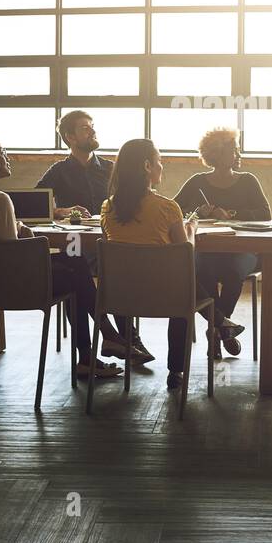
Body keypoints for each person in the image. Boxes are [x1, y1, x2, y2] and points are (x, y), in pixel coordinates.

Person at [0, 125, 121, 380]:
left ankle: (99, 344)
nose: (6, 155)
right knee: (77, 272)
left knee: (72, 260)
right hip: (14, 287)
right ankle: (102, 340)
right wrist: (30, 236)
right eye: (1, 151)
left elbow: (4, 234)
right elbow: (16, 259)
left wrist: (21, 230)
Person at [37, 110, 152, 365]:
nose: (92, 131)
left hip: (110, 239)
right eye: (85, 128)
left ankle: (127, 338)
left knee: (117, 269)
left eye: (92, 127)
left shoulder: (111, 168)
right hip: (75, 241)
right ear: (70, 137)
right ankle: (95, 350)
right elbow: (34, 203)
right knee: (72, 265)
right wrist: (60, 210)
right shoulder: (58, 171)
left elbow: (135, 199)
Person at [100, 138, 199, 391]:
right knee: (186, 293)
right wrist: (191, 230)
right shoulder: (168, 208)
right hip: (164, 296)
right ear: (147, 166)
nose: (162, 168)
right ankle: (175, 371)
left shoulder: (107, 208)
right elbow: (185, 255)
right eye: (160, 162)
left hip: (119, 298)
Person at [173, 128, 270, 358]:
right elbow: (173, 210)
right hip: (208, 249)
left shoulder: (248, 180)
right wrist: (197, 211)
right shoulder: (197, 182)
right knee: (202, 271)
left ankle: (215, 329)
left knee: (232, 272)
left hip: (242, 250)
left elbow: (265, 213)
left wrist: (233, 213)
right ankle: (221, 328)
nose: (238, 153)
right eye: (233, 149)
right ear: (217, 154)